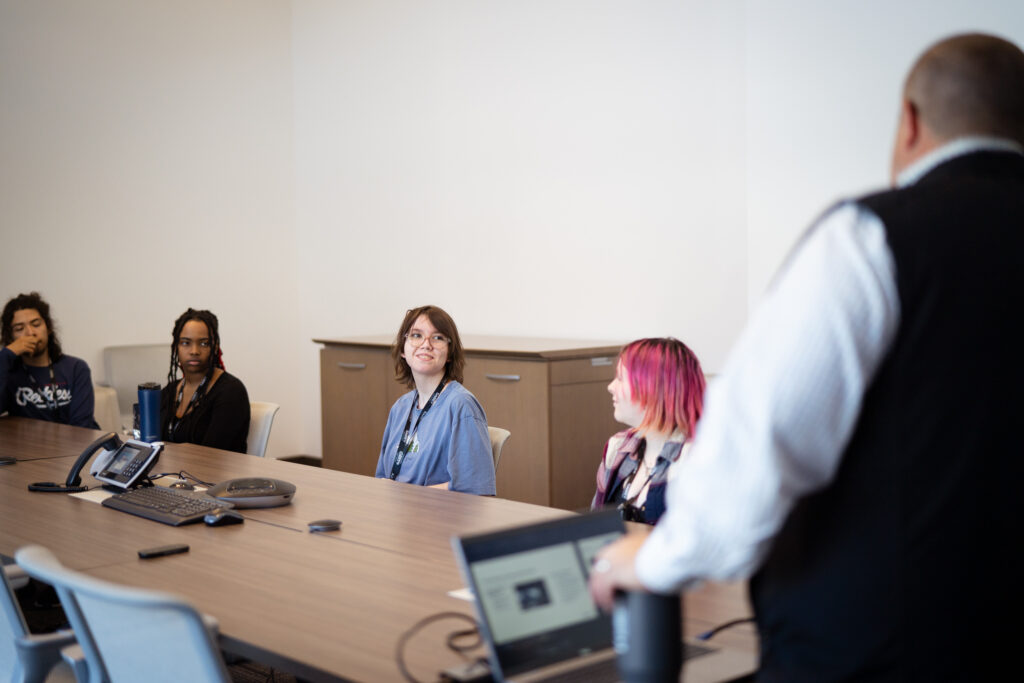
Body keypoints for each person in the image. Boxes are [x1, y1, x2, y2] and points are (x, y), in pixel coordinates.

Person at [590, 33, 1024, 681]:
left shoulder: (870, 239)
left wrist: (651, 561)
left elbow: (762, 442)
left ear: (909, 121)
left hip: (877, 649)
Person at [375, 305, 495, 495]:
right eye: (416, 335)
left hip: (438, 518)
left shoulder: (461, 405)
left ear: (449, 353)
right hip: (397, 514)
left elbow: (473, 488)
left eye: (438, 338)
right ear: (403, 349)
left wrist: (409, 497)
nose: (426, 344)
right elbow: (383, 479)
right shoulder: (400, 408)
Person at [591, 338, 705, 524]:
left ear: (653, 386)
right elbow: (595, 528)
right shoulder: (618, 447)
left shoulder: (696, 458)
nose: (610, 387)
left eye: (620, 378)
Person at [0, 292, 98, 428]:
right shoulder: (8, 373)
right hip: (28, 447)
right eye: (19, 329)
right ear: (11, 338)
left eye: (36, 324)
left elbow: (82, 424)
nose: (30, 333)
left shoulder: (76, 367)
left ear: (49, 327)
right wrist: (6, 355)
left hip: (76, 445)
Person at [159, 308, 250, 453]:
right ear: (176, 347)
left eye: (204, 343)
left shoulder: (231, 392)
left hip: (215, 474)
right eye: (185, 343)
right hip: (171, 474)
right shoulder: (169, 391)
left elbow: (212, 456)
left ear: (215, 347)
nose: (194, 351)